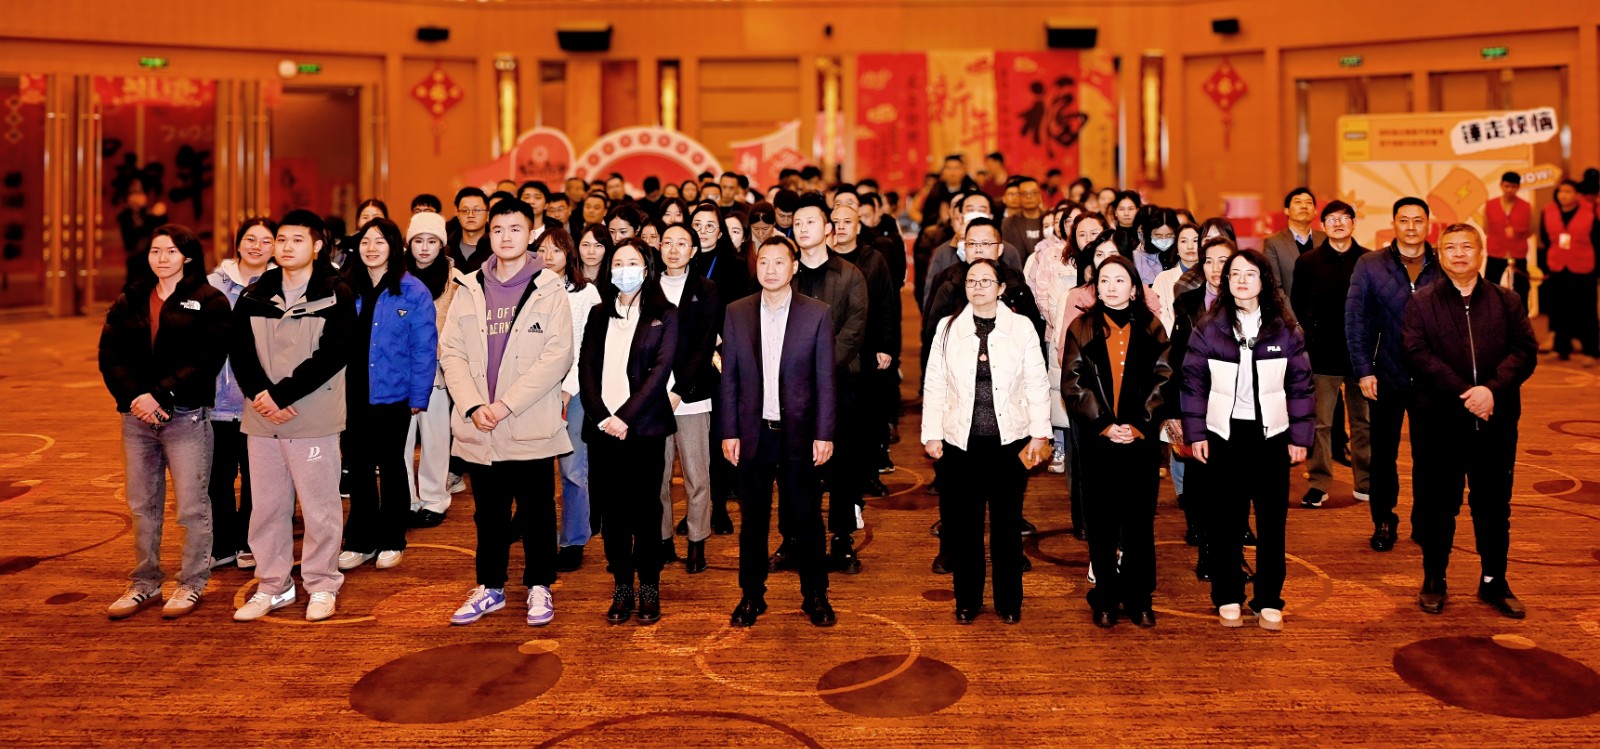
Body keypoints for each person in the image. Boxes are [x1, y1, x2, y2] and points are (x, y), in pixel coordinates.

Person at [441, 198, 574, 627]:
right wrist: (474, 405)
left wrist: (505, 405)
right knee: (488, 513)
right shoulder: (469, 285)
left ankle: (539, 584)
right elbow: (451, 351)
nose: (505, 237)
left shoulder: (549, 287)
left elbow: (557, 356)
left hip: (527, 420)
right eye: (498, 229)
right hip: (481, 423)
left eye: (515, 229)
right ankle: (490, 586)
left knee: (537, 511)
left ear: (530, 233)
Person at [1403, 223, 1538, 618]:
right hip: (1440, 423)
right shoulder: (1421, 303)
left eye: (1467, 246)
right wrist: (1467, 393)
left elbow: (1525, 351)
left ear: (1481, 253)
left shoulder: (1507, 301)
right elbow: (1417, 354)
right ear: (1439, 256)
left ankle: (1494, 580)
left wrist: (1491, 391)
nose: (1459, 253)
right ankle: (1434, 578)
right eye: (1450, 247)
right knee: (1438, 505)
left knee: (1494, 505)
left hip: (1496, 421)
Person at [230, 210, 357, 623]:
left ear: (317, 246)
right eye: (281, 240)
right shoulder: (255, 294)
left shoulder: (336, 293)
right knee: (266, 506)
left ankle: (322, 583)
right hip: (261, 417)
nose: (286, 247)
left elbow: (333, 355)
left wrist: (281, 394)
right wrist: (260, 395)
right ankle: (274, 584)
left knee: (320, 508)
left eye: (297, 240)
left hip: (312, 414)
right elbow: (240, 352)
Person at [99, 224, 231, 620]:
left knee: (191, 506)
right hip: (136, 417)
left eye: (170, 251)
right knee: (142, 505)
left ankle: (192, 581)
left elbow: (208, 359)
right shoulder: (131, 299)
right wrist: (135, 399)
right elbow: (110, 356)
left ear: (187, 256)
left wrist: (161, 395)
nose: (162, 258)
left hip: (186, 415)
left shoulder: (209, 300)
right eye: (156, 251)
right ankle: (145, 582)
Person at [1182, 249, 1313, 632]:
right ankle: (1227, 594)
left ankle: (1269, 599)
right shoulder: (1209, 328)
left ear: (1263, 281)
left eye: (1249, 273)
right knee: (1225, 522)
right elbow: (1192, 384)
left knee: (1272, 523)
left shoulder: (1284, 330)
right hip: (1224, 435)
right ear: (1226, 282)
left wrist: (1300, 436)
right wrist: (1196, 433)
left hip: (1271, 436)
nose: (1241, 280)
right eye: (1234, 273)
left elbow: (1301, 386)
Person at [924, 259, 1052, 624]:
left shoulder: (1021, 327)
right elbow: (934, 383)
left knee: (1007, 526)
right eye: (971, 281)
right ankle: (968, 600)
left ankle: (1009, 601)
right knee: (965, 527)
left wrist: (1040, 434)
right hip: (960, 442)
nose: (978, 287)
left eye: (986, 281)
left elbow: (1037, 383)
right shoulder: (948, 328)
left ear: (1001, 288)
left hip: (1010, 442)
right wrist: (931, 433)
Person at [721, 236, 838, 627]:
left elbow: (826, 379)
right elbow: (729, 379)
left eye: (779, 262)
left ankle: (815, 595)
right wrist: (729, 431)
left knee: (806, 518)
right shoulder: (737, 312)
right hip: (753, 433)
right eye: (763, 262)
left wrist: (824, 433)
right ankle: (751, 595)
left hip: (800, 435)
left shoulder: (816, 314)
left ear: (794, 267)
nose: (770, 270)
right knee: (753, 521)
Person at [1060, 254, 1173, 629]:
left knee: (1139, 522)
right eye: (1104, 280)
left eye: (1120, 280)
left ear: (1135, 288)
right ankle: (1106, 597)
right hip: (1098, 441)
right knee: (1102, 522)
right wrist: (1105, 424)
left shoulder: (1152, 327)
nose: (1111, 287)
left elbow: (1165, 379)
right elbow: (1073, 383)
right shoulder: (1081, 327)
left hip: (1140, 441)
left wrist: (1139, 424)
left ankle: (1140, 598)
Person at [579, 238, 679, 625]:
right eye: (617, 263)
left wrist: (625, 417)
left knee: (646, 512)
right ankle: (622, 586)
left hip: (644, 429)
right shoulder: (598, 313)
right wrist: (601, 416)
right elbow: (586, 367)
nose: (624, 270)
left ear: (647, 268)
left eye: (632, 262)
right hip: (603, 429)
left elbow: (660, 371)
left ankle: (649, 587)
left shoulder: (664, 314)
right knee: (613, 514)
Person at [775, 194, 869, 575]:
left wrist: (819, 367)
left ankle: (842, 540)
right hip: (791, 388)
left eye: (810, 222)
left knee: (842, 465)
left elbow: (854, 330)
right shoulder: (785, 274)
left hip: (840, 384)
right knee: (791, 465)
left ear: (828, 228)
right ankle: (792, 539)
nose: (802, 228)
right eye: (797, 223)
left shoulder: (850, 275)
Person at [336, 218, 437, 572]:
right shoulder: (346, 288)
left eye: (380, 241)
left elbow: (424, 349)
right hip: (352, 392)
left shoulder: (413, 291)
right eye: (366, 241)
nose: (372, 248)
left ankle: (393, 538)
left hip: (394, 393)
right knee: (358, 466)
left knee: (392, 465)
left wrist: (419, 396)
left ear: (395, 247)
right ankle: (361, 539)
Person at [1346, 197, 1444, 552]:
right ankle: (1383, 519)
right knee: (1383, 455)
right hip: (1384, 375)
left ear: (1428, 224)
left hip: (1433, 378)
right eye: (1404, 220)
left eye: (1418, 220)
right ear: (1394, 223)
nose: (1411, 227)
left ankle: (1425, 520)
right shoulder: (1370, 265)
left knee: (1430, 455)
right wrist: (1363, 371)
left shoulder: (1443, 264)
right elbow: (1355, 321)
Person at [1291, 200, 1370, 509]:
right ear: (1322, 225)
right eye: (1331, 218)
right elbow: (1298, 304)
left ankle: (1366, 481)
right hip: (1322, 353)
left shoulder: (1369, 260)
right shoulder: (1307, 262)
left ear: (1353, 223)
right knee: (1321, 423)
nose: (1338, 223)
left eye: (1344, 217)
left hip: (1361, 355)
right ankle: (1319, 482)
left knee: (1363, 422)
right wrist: (1311, 333)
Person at [207, 218, 276, 570]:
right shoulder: (212, 285)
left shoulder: (283, 285)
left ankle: (249, 540)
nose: (256, 247)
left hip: (260, 399)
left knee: (257, 476)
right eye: (250, 239)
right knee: (217, 476)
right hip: (217, 399)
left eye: (266, 241)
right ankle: (222, 543)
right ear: (237, 242)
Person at [656, 224, 722, 573]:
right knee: (658, 476)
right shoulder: (649, 285)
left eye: (682, 243)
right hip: (652, 397)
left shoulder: (705, 289)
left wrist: (679, 390)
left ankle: (697, 541)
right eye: (667, 242)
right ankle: (663, 539)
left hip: (692, 396)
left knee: (697, 475)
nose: (673, 249)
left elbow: (704, 344)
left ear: (693, 251)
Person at [831, 202, 899, 492]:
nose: (841, 227)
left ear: (858, 227)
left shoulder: (874, 259)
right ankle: (832, 475)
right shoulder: (824, 258)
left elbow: (887, 305)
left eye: (847, 221)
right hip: (833, 349)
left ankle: (869, 474)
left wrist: (886, 346)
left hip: (869, 347)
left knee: (869, 415)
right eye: (836, 221)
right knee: (835, 415)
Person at [401, 211, 458, 528]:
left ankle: (435, 499)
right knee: (401, 439)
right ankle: (406, 499)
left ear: (441, 244)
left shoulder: (454, 279)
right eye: (418, 241)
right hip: (400, 369)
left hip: (437, 368)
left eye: (432, 241)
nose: (424, 248)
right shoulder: (395, 274)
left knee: (435, 438)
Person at [1538, 180, 1600, 364]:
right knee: (1559, 309)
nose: (1563, 195)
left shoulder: (1590, 213)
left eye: (1568, 191)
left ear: (1578, 195)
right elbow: (1545, 239)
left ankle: (1590, 351)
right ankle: (1561, 348)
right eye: (1561, 191)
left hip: (1583, 267)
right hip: (1558, 266)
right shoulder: (1548, 211)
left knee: (1586, 310)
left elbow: (1597, 241)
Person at [1263, 187, 1325, 300]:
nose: (1304, 206)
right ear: (1286, 210)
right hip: (1289, 308)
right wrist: (1290, 311)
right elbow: (1274, 286)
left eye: (1309, 203)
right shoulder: (1274, 243)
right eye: (1298, 202)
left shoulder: (1326, 240)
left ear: (1315, 212)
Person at [1483, 171, 1534, 308]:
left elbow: (1531, 230)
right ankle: (1490, 315)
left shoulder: (1526, 206)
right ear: (1501, 185)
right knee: (1490, 287)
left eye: (1513, 186)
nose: (1510, 189)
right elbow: (1485, 228)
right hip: (1495, 252)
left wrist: (1516, 233)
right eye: (1507, 186)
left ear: (1518, 187)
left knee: (1522, 288)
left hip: (1518, 253)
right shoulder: (1490, 205)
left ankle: (1522, 316)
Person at [448, 187, 492, 273]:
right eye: (465, 210)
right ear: (457, 214)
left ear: (487, 214)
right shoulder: (446, 249)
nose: (470, 215)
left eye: (477, 210)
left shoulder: (497, 248)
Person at [1002, 176, 1046, 258]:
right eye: (1024, 193)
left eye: (1033, 193)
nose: (1029, 197)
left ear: (1040, 196)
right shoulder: (1008, 223)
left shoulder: (1050, 219)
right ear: (1019, 197)